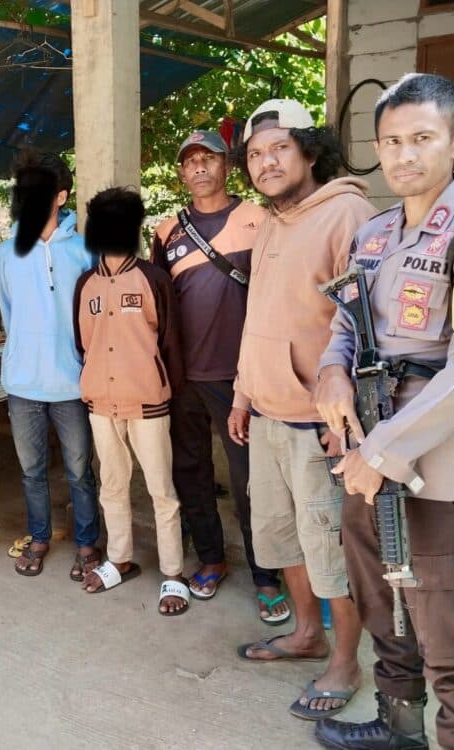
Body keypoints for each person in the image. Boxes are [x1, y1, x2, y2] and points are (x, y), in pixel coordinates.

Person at [315, 73, 454, 750]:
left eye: (422, 138)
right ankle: (398, 728)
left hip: (437, 474)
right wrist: (329, 374)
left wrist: (381, 455)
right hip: (363, 455)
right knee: (385, 611)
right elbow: (345, 324)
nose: (404, 155)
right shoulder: (374, 233)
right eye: (391, 141)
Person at [230, 99, 375, 720]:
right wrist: (243, 392)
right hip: (266, 414)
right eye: (255, 154)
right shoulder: (269, 221)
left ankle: (345, 661)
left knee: (329, 552)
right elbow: (258, 315)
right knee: (282, 538)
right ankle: (307, 634)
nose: (266, 162)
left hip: (318, 426)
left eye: (279, 149)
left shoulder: (348, 214)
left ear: (310, 151)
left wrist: (347, 420)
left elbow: (365, 326)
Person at [150, 130, 286, 622]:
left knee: (251, 482)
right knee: (191, 472)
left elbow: (276, 297)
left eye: (208, 158)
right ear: (181, 173)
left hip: (240, 378)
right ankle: (211, 559)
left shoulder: (259, 219)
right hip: (184, 376)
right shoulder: (168, 230)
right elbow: (158, 302)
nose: (200, 167)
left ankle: (266, 576)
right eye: (190, 161)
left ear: (227, 165)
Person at [74, 187, 188, 615]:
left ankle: (174, 573)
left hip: (148, 402)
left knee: (162, 490)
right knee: (112, 485)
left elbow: (170, 342)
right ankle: (119, 559)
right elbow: (83, 343)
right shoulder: (86, 285)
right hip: (101, 403)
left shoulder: (154, 279)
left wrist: (166, 391)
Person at [0, 151, 100, 579]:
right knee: (31, 471)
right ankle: (39, 538)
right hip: (23, 383)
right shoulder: (6, 252)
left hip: (72, 382)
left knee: (80, 471)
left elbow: (94, 314)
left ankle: (87, 543)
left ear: (60, 196)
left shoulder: (84, 249)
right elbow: (9, 311)